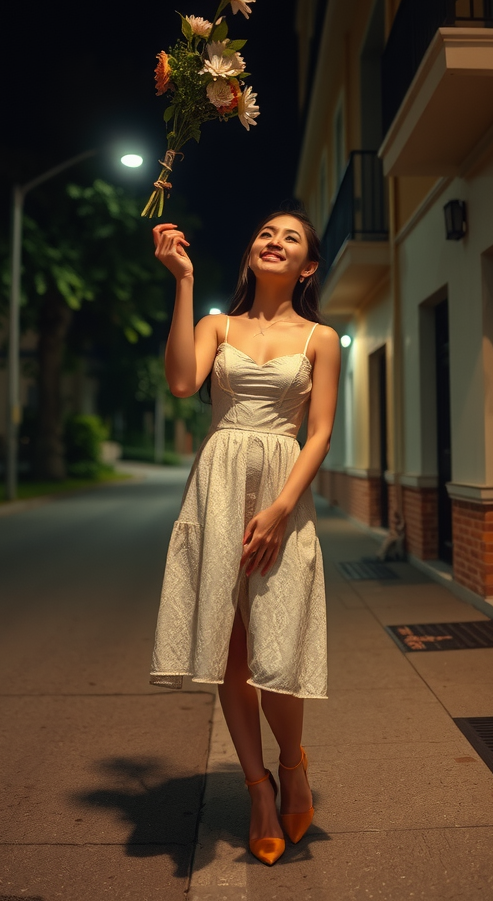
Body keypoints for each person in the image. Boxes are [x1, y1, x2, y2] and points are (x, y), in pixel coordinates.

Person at [149, 209, 340, 865]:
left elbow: (318, 432)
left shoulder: (321, 337)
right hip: (220, 487)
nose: (274, 240)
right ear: (251, 253)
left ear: (307, 265)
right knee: (232, 647)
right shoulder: (216, 325)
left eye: (290, 237)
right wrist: (182, 280)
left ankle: (292, 764)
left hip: (281, 492)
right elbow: (181, 382)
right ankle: (258, 789)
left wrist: (285, 506)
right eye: (266, 232)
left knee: (277, 646)